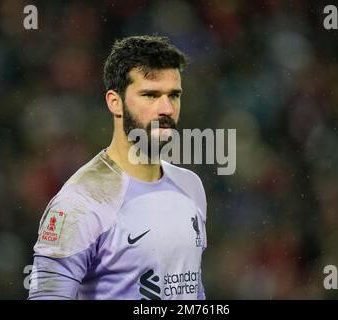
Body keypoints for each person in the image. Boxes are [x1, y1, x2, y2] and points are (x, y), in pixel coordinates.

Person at [28, 36, 207, 300]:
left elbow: (190, 290)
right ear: (115, 102)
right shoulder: (81, 201)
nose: (167, 108)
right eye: (151, 95)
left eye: (174, 95)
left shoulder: (190, 186)